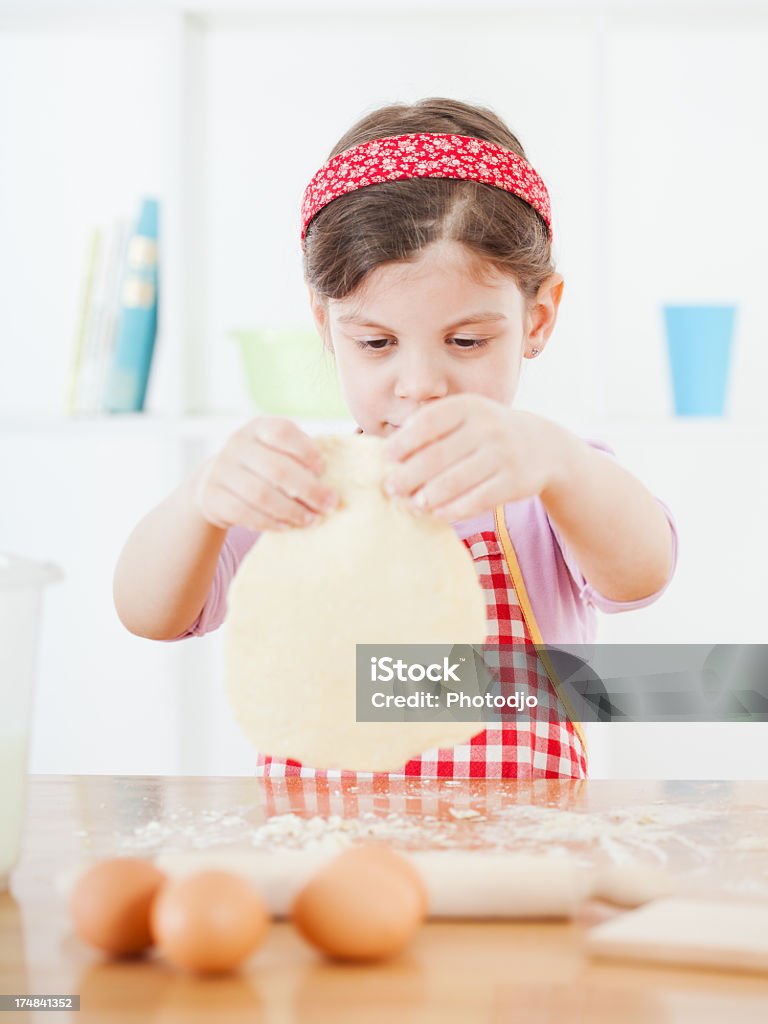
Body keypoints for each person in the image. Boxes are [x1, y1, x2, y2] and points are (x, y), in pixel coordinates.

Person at [114, 97, 677, 781]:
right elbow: (151, 615)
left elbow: (643, 573)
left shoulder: (546, 479)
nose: (420, 384)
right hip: (319, 864)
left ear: (539, 317)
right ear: (325, 325)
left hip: (515, 874)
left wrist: (558, 460)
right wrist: (201, 500)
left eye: (466, 341)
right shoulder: (299, 487)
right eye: (377, 342)